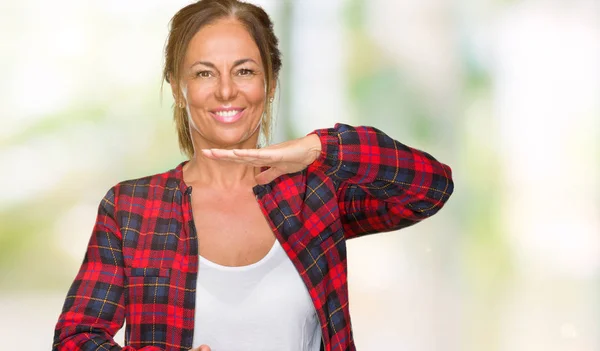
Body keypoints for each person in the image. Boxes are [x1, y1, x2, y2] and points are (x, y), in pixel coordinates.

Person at [53, 0, 454, 350]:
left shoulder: (315, 192)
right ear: (177, 87)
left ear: (270, 82)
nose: (226, 91)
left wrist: (320, 148)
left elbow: (429, 188)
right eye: (204, 73)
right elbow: (76, 338)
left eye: (244, 71)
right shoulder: (130, 209)